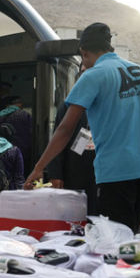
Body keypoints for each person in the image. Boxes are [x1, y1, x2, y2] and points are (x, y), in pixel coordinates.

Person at [24, 22, 140, 233]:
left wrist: (39, 167)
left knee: (115, 243)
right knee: (130, 236)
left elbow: (65, 129)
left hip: (115, 172)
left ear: (84, 52)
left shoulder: (93, 75)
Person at [47, 66, 97, 215]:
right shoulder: (68, 106)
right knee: (75, 213)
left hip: (101, 171)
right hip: (74, 171)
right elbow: (59, 138)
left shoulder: (106, 105)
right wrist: (56, 174)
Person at [0, 95, 34, 175]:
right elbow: (32, 133)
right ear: (18, 104)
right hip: (23, 154)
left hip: (4, 155)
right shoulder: (25, 115)